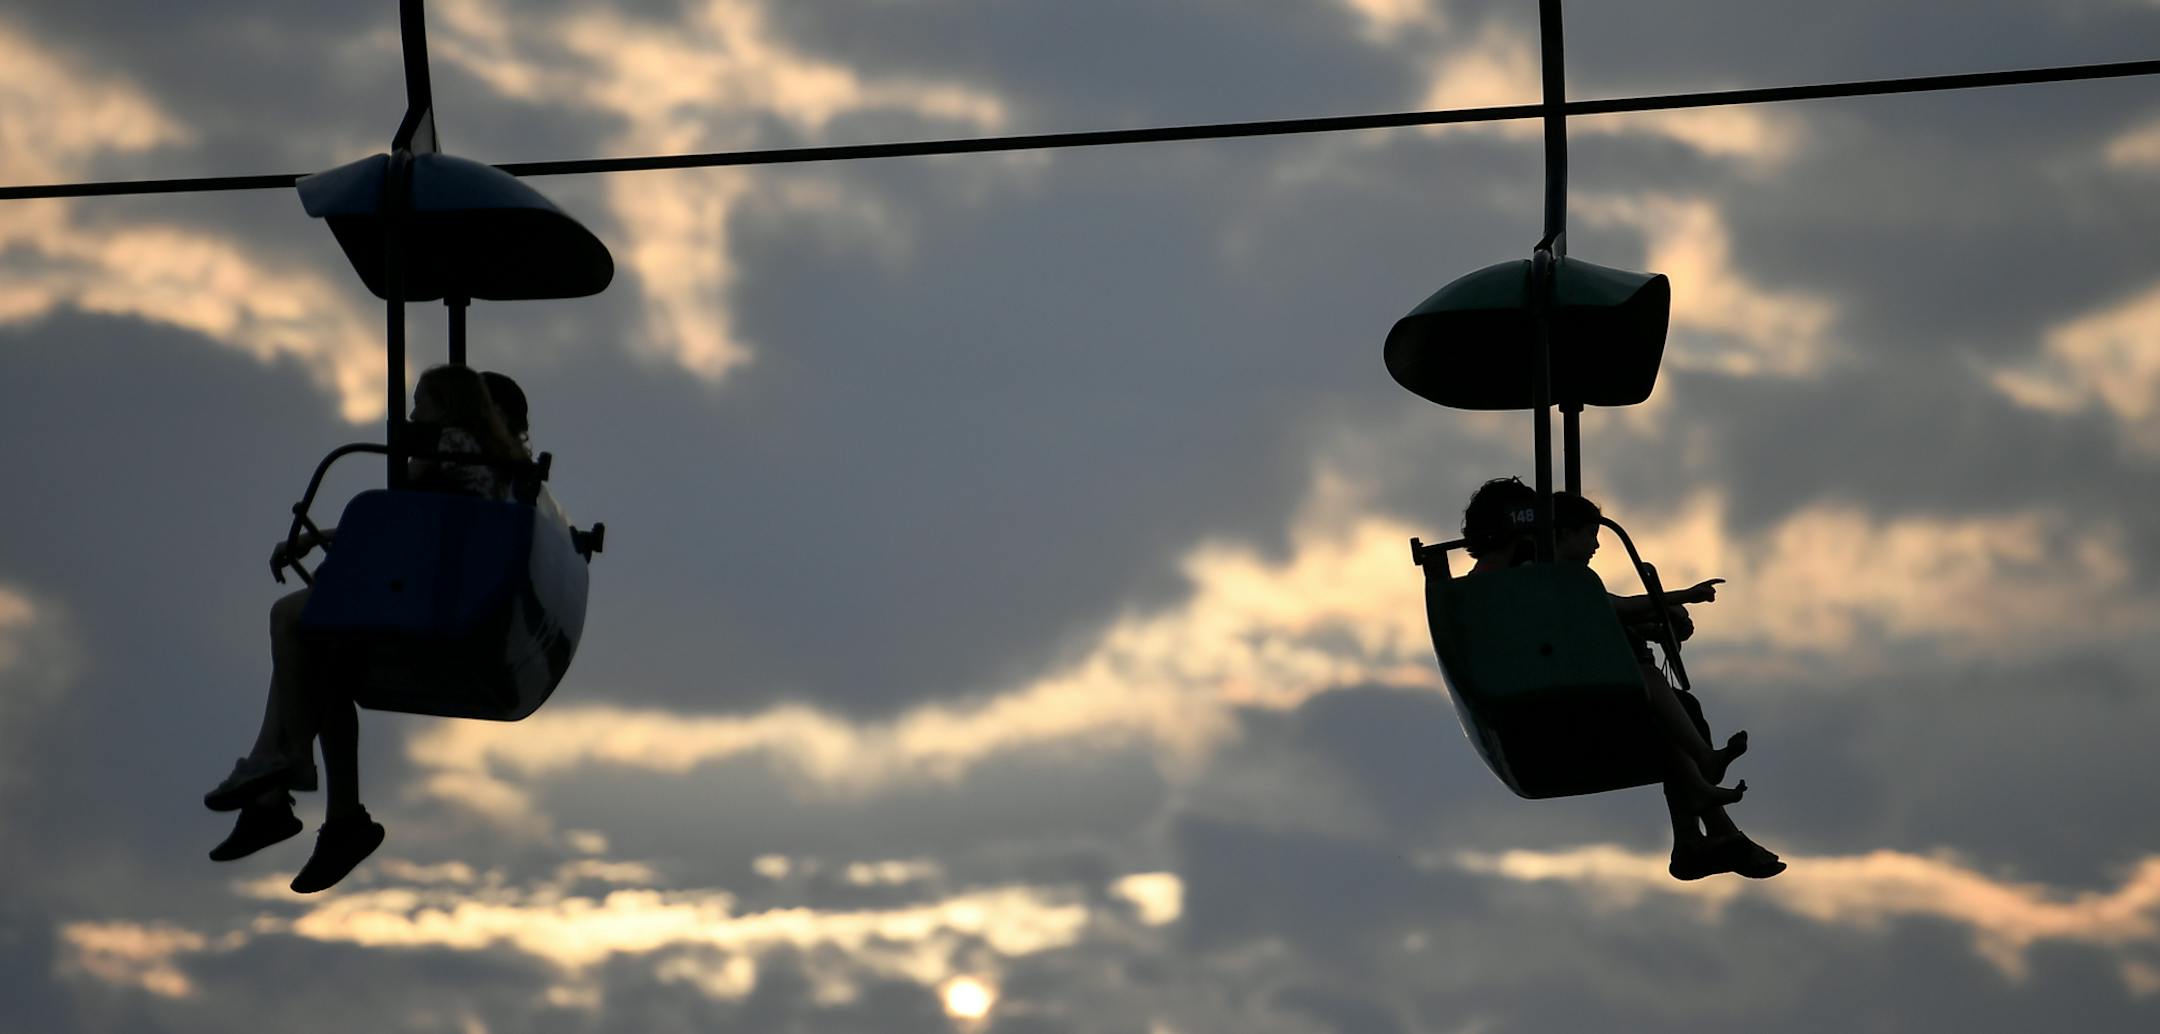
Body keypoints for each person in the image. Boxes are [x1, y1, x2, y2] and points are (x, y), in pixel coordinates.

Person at [203, 366, 531, 892]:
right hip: (435, 586)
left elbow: (401, 517)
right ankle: (316, 807)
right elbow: (417, 519)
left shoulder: (450, 444)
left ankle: (279, 767)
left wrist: (326, 535)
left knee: (291, 618)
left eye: (420, 402)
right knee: (320, 657)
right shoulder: (492, 464)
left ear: (448, 406)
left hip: (427, 594)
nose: (411, 415)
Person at [1457, 479, 1781, 880]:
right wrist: (1671, 602)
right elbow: (1583, 619)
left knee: (1673, 709)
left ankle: (1700, 838)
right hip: (1547, 714)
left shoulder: (1520, 582)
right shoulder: (1515, 584)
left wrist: (1650, 624)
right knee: (1654, 706)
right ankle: (1708, 824)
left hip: (1557, 699)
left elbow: (1584, 622)